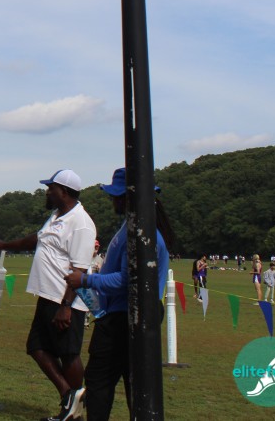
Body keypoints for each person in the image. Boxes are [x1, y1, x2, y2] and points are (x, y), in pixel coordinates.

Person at [65, 167, 173, 421]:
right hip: (125, 315)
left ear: (127, 198)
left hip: (123, 317)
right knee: (133, 382)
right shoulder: (135, 228)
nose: (112, 201)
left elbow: (127, 281)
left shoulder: (140, 234)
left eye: (115, 196)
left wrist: (85, 280)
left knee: (100, 380)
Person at [0, 169, 94, 421]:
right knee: (36, 347)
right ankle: (69, 396)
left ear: (64, 192)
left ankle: (73, 410)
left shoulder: (81, 223)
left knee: (68, 354)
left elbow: (79, 270)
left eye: (51, 188)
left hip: (66, 299)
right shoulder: (56, 216)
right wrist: (6, 245)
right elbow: (36, 239)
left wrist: (66, 306)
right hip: (48, 296)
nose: (47, 192)